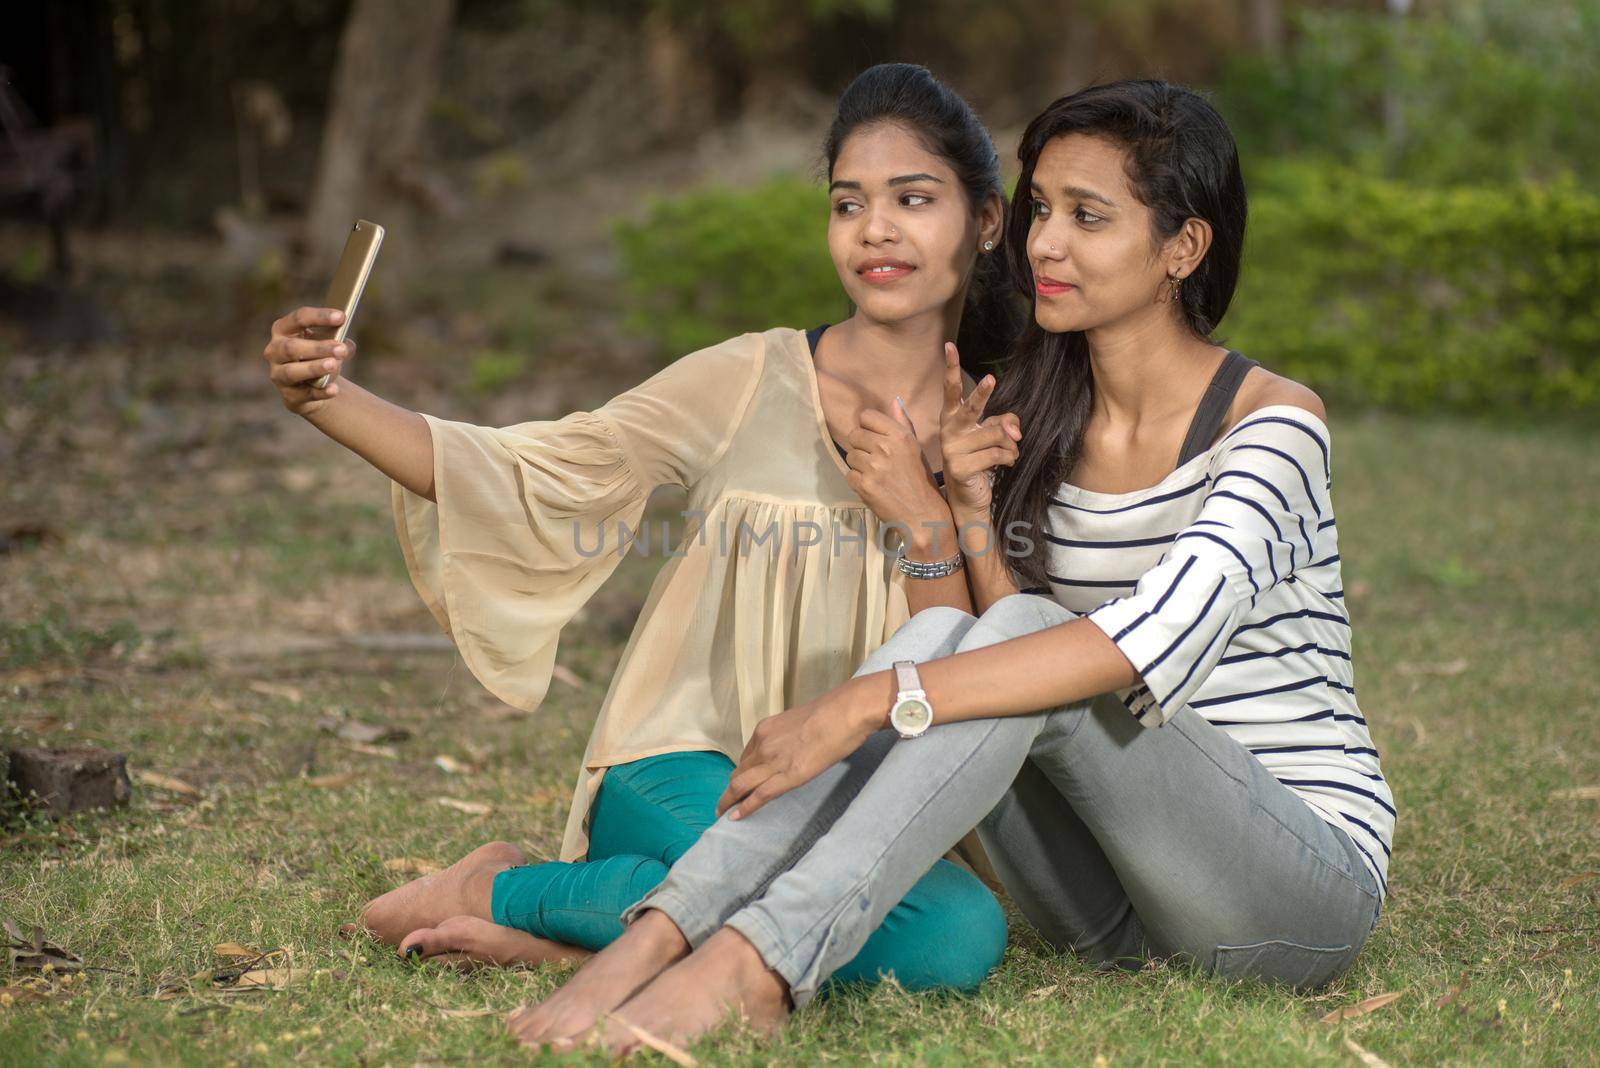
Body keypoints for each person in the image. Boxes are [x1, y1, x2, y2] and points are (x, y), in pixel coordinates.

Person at [508, 79, 1395, 1055]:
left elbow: (1134, 644)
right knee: (952, 636)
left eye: (1088, 217)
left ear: (1182, 248)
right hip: (1107, 915)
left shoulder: (1271, 426)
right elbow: (1020, 661)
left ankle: (751, 961)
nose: (1045, 245)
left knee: (958, 655)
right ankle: (665, 934)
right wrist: (970, 519)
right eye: (1042, 211)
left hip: (1290, 894)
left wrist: (861, 702)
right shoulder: (1040, 413)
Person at [260, 64, 1024, 991]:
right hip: (685, 770)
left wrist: (928, 519)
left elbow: (966, 668)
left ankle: (566, 921)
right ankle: (509, 888)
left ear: (985, 219)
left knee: (956, 936)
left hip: (862, 798)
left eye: (914, 198)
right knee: (798, 892)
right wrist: (326, 400)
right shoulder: (747, 378)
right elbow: (530, 469)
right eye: (848, 202)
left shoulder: (1010, 417)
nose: (876, 230)